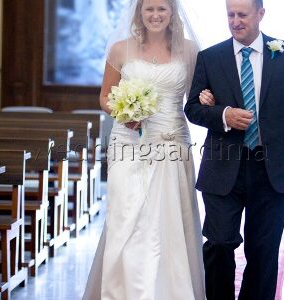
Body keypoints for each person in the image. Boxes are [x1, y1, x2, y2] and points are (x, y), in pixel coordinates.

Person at [184, 0, 284, 299]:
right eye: (230, 15)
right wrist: (223, 115)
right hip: (223, 168)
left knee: (263, 250)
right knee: (219, 243)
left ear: (260, 14)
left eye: (242, 15)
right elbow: (192, 108)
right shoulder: (210, 57)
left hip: (274, 169)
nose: (235, 21)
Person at [83, 0, 205, 299]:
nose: (155, 15)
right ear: (139, 12)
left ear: (172, 12)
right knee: (126, 216)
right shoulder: (120, 50)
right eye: (149, 9)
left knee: (170, 220)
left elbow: (193, 100)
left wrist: (206, 98)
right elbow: (104, 96)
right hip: (128, 143)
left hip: (172, 141)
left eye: (161, 9)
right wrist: (124, 112)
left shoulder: (189, 51)